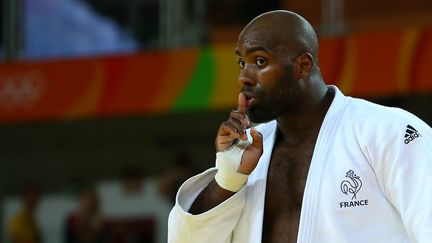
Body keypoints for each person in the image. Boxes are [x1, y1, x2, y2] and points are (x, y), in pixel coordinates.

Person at [167, 10, 432, 243]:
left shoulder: (387, 131)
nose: (243, 76)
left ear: (303, 65)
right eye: (241, 62)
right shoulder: (246, 154)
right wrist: (227, 181)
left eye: (260, 61)